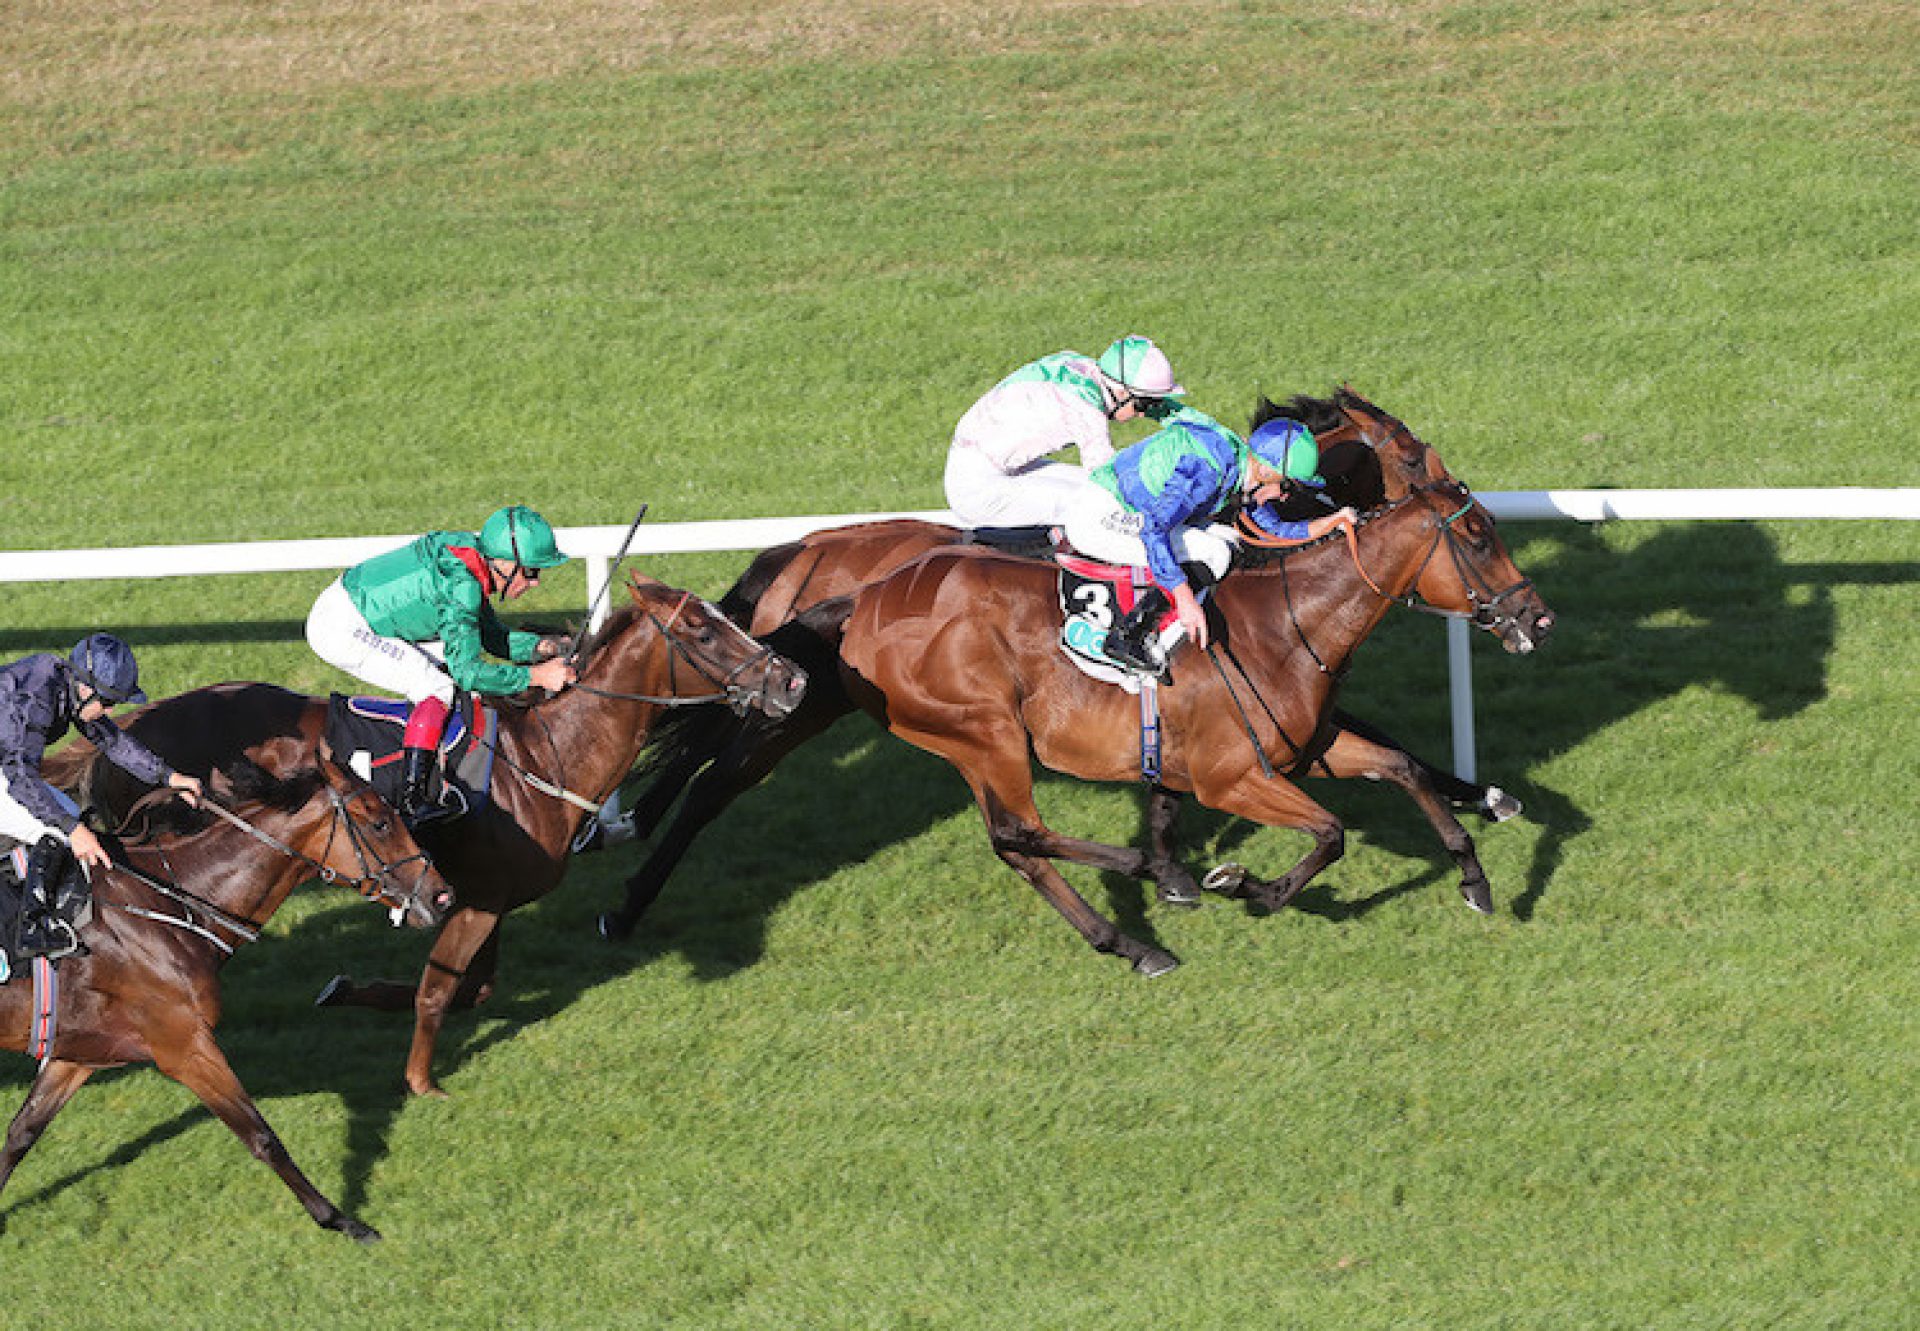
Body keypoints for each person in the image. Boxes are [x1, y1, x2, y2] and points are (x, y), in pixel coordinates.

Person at [305, 504, 577, 819]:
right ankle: (412, 800)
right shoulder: (463, 585)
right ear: (504, 563)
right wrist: (536, 677)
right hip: (341, 627)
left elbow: (488, 636)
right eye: (530, 571)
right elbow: (468, 673)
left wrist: (542, 647)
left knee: (443, 676)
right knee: (437, 688)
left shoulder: (473, 560)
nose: (535, 582)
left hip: (358, 607)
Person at [1062, 416, 1358, 676]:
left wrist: (1333, 522)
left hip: (1132, 509)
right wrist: (1184, 598)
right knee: (1214, 551)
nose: (1284, 497)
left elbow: (1273, 529)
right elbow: (1154, 529)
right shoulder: (1206, 471)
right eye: (1288, 486)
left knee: (1225, 539)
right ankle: (1130, 635)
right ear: (1266, 472)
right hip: (1098, 515)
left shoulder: (1244, 468)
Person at [0, 633, 204, 958]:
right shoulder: (35, 698)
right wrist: (72, 830)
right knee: (57, 825)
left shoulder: (66, 687)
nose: (111, 709)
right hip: (10, 772)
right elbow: (21, 779)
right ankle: (32, 928)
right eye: (108, 702)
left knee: (65, 813)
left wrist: (168, 776)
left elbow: (112, 741)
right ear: (84, 688)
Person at [945, 335, 1217, 529]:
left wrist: (1211, 430)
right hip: (976, 489)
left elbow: (1160, 408)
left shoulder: (1085, 367)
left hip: (988, 464)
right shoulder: (1086, 410)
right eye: (1144, 404)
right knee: (1091, 505)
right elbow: (1108, 481)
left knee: (1081, 487)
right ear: (1121, 392)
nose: (1145, 413)